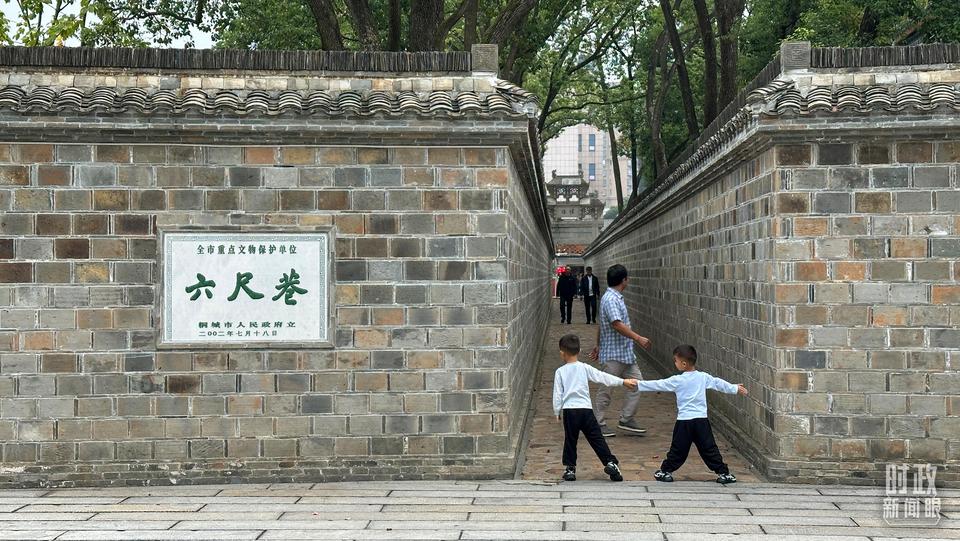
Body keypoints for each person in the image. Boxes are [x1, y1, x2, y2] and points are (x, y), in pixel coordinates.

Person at [632, 345, 748, 484]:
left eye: (675, 360)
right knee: (709, 448)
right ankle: (724, 473)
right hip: (701, 422)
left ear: (683, 364)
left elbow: (659, 384)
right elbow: (718, 383)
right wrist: (734, 388)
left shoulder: (677, 380)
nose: (675, 363)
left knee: (678, 449)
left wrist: (638, 384)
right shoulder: (703, 377)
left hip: (684, 422)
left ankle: (665, 471)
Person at [553, 333, 637, 482]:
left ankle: (570, 469)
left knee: (570, 440)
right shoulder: (585, 368)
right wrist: (623, 381)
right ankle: (610, 462)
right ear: (579, 351)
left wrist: (557, 411)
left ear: (562, 353)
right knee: (597, 438)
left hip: (570, 412)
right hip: (586, 410)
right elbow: (603, 377)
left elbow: (557, 393)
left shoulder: (560, 372)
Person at [589, 264, 651, 437]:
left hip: (625, 354)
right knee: (606, 389)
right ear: (624, 280)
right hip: (613, 355)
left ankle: (627, 419)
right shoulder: (611, 299)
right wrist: (638, 338)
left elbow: (602, 324)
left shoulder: (614, 298)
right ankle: (598, 423)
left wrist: (598, 344)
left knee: (637, 385)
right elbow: (616, 324)